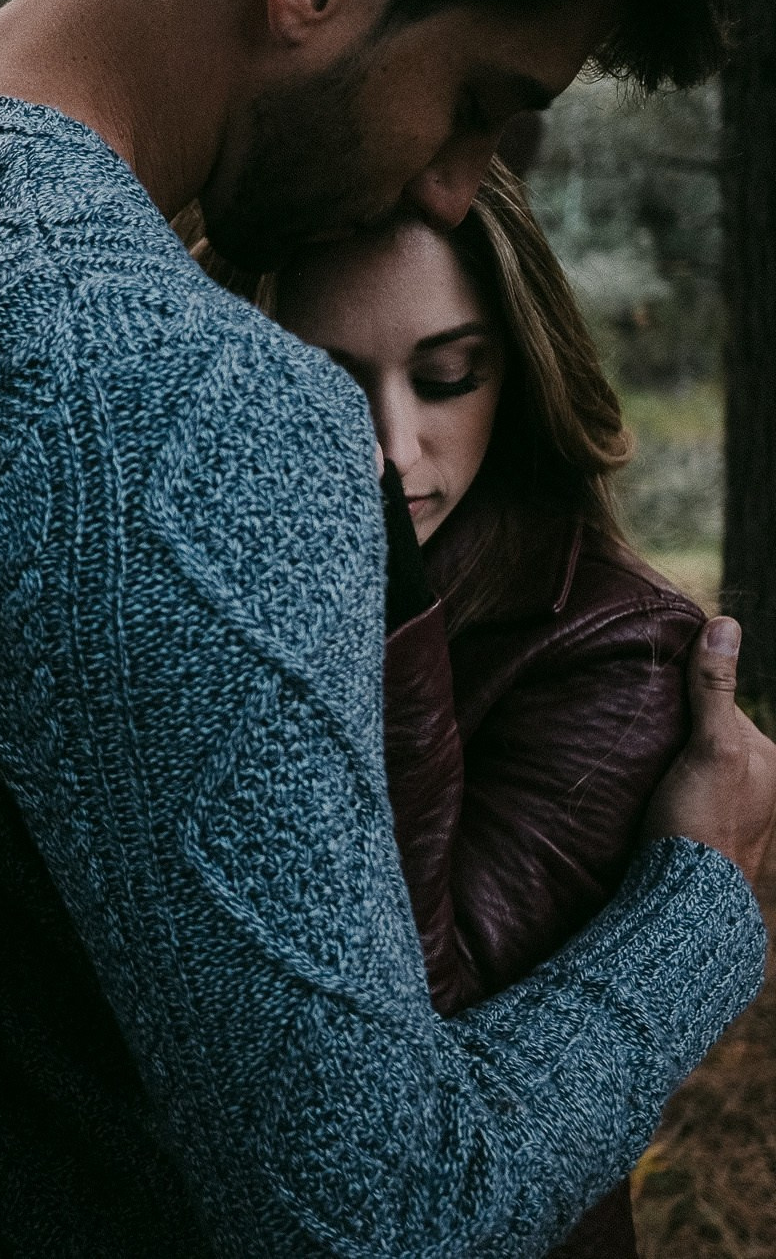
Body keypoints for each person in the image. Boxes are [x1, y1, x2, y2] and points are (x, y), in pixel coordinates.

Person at [0, 0, 776, 1253]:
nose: (455, 186)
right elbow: (375, 1220)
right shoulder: (187, 403)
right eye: (472, 103)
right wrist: (704, 898)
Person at [212, 159, 702, 1256]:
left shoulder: (611, 648)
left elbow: (418, 1066)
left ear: (516, 374)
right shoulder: (214, 579)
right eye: (328, 382)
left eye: (446, 378)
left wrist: (390, 610)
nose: (392, 448)